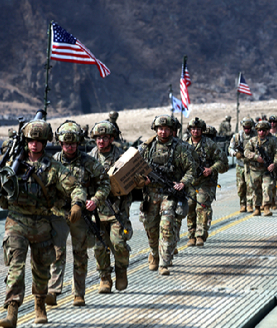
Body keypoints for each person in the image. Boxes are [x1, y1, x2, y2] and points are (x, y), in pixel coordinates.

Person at [0, 119, 86, 326]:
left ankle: (40, 306)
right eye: (31, 140)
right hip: (16, 222)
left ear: (45, 142)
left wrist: (77, 204)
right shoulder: (12, 165)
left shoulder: (54, 168)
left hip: (41, 223)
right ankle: (12, 312)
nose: (34, 144)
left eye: (39, 140)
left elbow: (76, 187)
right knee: (15, 266)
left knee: (41, 269)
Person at [46, 120, 111, 307]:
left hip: (81, 214)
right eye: (66, 144)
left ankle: (78, 294)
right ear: (60, 143)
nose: (70, 147)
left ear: (78, 143)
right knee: (57, 252)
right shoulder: (53, 162)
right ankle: (53, 290)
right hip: (58, 213)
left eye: (73, 143)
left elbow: (104, 182)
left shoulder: (89, 162)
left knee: (80, 253)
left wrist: (96, 200)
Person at [138, 115, 197, 275]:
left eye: (166, 129)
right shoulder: (146, 147)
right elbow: (135, 169)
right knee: (151, 229)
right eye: (160, 129)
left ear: (172, 130)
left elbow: (191, 169)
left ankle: (164, 263)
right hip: (150, 195)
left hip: (169, 195)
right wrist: (143, 180)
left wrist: (182, 183)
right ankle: (154, 255)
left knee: (167, 227)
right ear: (155, 129)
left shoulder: (179, 148)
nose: (163, 132)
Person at [89, 121, 133, 292]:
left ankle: (121, 271)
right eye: (98, 138)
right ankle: (105, 278)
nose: (101, 141)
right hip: (96, 211)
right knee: (99, 247)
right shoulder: (89, 158)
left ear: (112, 138)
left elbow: (133, 181)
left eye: (105, 138)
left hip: (117, 210)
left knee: (118, 244)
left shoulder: (123, 158)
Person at [184, 117, 228, 246]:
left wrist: (211, 169)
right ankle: (191, 235)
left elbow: (223, 162)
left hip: (206, 182)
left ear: (202, 130)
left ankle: (200, 235)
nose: (195, 131)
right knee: (190, 207)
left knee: (202, 207)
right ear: (190, 130)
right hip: (190, 182)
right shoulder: (184, 145)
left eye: (198, 129)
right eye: (193, 129)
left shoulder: (209, 144)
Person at [244, 121, 277, 216]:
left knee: (267, 187)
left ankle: (266, 208)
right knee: (256, 189)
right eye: (259, 130)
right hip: (255, 170)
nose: (261, 132)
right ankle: (257, 208)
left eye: (264, 130)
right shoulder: (252, 141)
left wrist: (274, 164)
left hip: (267, 170)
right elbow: (246, 152)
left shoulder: (272, 140)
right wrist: (255, 157)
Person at [228, 118, 257, 211]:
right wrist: (235, 154)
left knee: (250, 185)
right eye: (245, 128)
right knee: (241, 186)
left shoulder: (255, 136)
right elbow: (230, 148)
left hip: (251, 165)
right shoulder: (237, 136)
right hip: (240, 165)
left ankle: (249, 204)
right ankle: (242, 203)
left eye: (249, 128)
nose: (247, 130)